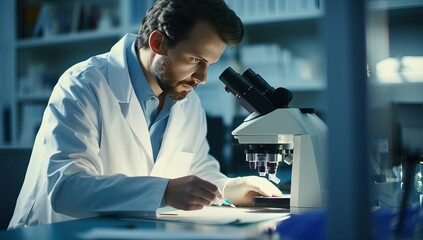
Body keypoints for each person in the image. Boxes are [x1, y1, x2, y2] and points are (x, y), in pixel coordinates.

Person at [9, 0, 282, 229]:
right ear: (158, 42)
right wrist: (163, 192)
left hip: (126, 231)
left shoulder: (187, 101)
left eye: (209, 64)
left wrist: (228, 188)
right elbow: (66, 188)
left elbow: (197, 169)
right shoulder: (83, 84)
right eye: (195, 60)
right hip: (55, 231)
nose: (202, 77)